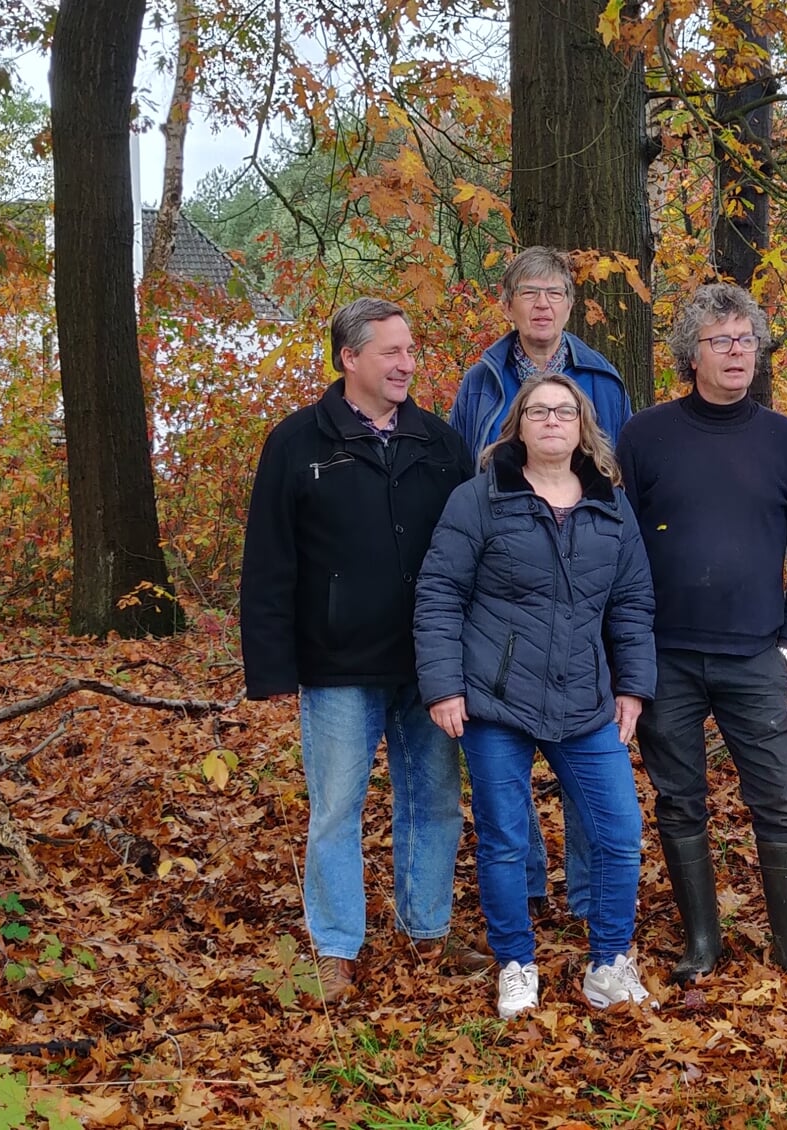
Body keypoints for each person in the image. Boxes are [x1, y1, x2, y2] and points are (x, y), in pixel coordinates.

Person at [240, 297, 492, 1005]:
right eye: (392, 352)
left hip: (429, 664)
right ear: (349, 358)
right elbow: (268, 562)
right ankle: (335, 947)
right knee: (335, 809)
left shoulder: (439, 444)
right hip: (336, 662)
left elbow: (474, 552)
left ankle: (429, 929)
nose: (407, 364)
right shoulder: (297, 442)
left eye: (411, 351)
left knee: (436, 801)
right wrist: (272, 670)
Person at [616, 283, 787, 999]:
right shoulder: (645, 436)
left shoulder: (785, 440)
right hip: (666, 654)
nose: (737, 352)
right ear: (691, 354)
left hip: (755, 653)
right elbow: (618, 547)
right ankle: (700, 941)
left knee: (777, 799)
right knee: (679, 800)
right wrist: (629, 649)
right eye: (721, 341)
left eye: (746, 339)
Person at [416, 374, 657, 1018]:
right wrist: (443, 686)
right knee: (504, 837)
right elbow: (439, 593)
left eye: (566, 411)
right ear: (518, 426)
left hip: (584, 702)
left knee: (618, 830)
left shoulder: (611, 505)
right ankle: (516, 963)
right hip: (496, 701)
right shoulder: (479, 499)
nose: (553, 420)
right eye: (539, 411)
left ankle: (609, 962)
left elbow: (632, 603)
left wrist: (633, 685)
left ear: (583, 427)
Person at [450, 246, 634, 924]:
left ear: (569, 303)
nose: (541, 304)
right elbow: (460, 485)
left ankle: (588, 897)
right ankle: (525, 887)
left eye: (554, 292)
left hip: (586, 594)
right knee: (504, 762)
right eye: (528, 292)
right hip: (505, 597)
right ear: (507, 304)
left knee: (590, 750)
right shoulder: (482, 381)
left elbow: (620, 487)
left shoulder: (603, 380)